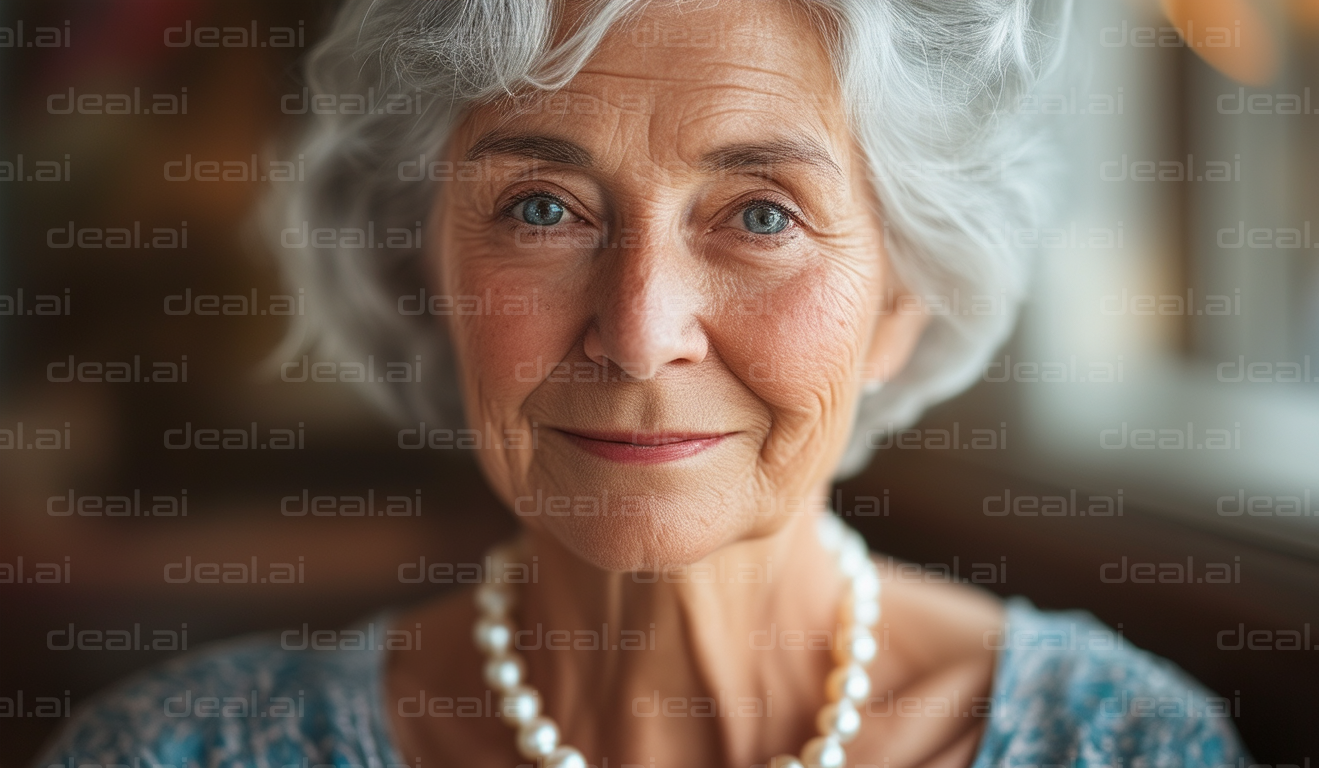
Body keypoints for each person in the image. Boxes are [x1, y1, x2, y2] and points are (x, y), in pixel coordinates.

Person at [36, 0, 1250, 766]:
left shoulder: (1127, 745)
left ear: (901, 301)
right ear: (426, 273)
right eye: (543, 207)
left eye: (761, 214)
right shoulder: (174, 751)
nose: (638, 330)